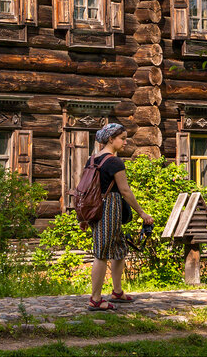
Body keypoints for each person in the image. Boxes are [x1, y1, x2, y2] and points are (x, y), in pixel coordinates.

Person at [87, 123, 154, 311]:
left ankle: (117, 292)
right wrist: (142, 213)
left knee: (119, 248)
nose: (125, 142)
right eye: (122, 138)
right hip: (109, 207)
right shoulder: (114, 162)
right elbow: (125, 190)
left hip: (94, 207)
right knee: (102, 252)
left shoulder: (92, 160)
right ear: (111, 139)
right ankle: (95, 299)